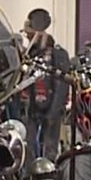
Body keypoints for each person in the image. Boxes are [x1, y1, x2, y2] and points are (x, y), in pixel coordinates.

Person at [21, 8, 71, 162]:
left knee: (49, 147)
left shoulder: (58, 54)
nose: (28, 37)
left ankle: (49, 178)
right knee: (28, 146)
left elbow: (62, 86)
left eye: (29, 34)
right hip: (32, 109)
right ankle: (29, 178)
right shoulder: (30, 55)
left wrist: (54, 111)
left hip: (51, 107)